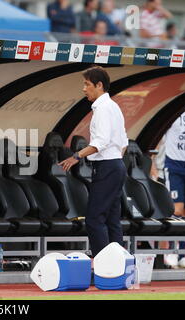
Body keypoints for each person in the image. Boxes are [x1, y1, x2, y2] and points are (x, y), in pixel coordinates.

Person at [59, 66, 128, 257]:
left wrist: (76, 156)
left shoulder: (103, 108)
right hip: (116, 165)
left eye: (87, 84)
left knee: (94, 219)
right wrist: (114, 161)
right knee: (112, 220)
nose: (84, 89)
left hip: (106, 166)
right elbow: (123, 143)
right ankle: (117, 265)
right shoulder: (113, 106)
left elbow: (101, 142)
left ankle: (102, 263)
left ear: (99, 85)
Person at [161, 106, 185, 269]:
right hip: (174, 167)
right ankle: (171, 251)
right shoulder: (174, 112)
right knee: (177, 210)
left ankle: (183, 254)